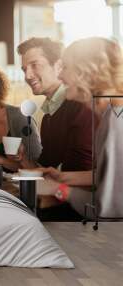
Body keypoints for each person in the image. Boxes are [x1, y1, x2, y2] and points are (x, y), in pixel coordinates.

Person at [40, 37, 123, 219]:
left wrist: (59, 190)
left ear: (87, 72)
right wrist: (65, 178)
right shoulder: (111, 114)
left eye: (66, 67)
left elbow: (108, 213)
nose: (60, 75)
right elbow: (112, 179)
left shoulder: (116, 123)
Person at [17, 37, 94, 172]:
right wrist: (22, 158)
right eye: (24, 70)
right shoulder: (48, 115)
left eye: (35, 65)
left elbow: (83, 169)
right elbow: (47, 169)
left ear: (58, 66)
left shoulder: (81, 105)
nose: (27, 76)